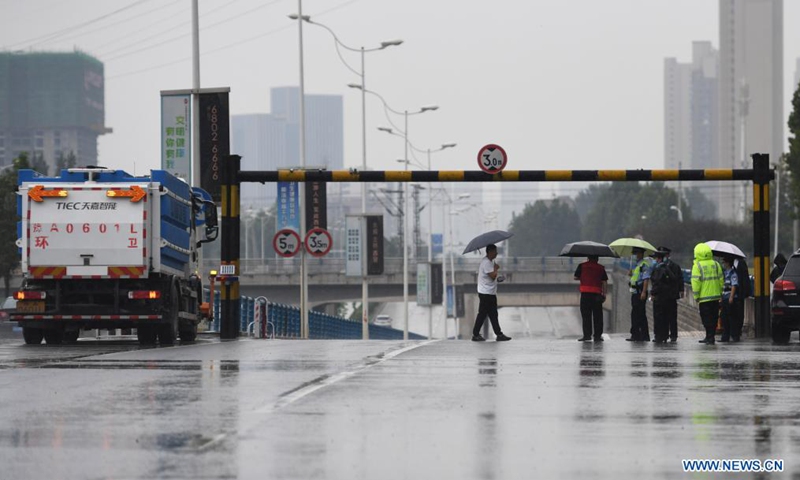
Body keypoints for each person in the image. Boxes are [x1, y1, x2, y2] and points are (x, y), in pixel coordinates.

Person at [472, 244, 511, 342]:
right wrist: (496, 268)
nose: (497, 253)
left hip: (490, 293)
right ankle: (475, 334)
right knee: (482, 314)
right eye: (495, 251)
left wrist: (498, 278)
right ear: (490, 252)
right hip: (486, 294)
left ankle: (499, 334)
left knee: (493, 314)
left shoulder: (490, 262)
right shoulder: (486, 263)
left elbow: (492, 278)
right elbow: (492, 275)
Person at [691, 243, 724, 345]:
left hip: (704, 298)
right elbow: (721, 280)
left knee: (706, 318)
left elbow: (696, 282)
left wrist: (696, 296)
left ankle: (709, 337)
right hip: (715, 297)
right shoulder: (716, 264)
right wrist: (720, 293)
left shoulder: (697, 266)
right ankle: (711, 336)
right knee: (714, 318)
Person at [574, 255, 608, 342]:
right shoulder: (601, 268)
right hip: (596, 294)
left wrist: (584, 277)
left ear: (588, 258)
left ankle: (587, 335)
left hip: (585, 294)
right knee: (598, 316)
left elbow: (575, 277)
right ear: (597, 259)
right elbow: (604, 281)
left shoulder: (582, 266)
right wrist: (604, 294)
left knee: (586, 315)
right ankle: (597, 336)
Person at [648, 248, 679, 343]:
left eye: (655, 258)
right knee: (666, 317)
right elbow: (674, 280)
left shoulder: (658, 269)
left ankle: (659, 336)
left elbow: (656, 283)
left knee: (658, 318)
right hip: (668, 297)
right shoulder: (667, 268)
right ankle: (665, 336)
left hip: (659, 297)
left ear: (659, 259)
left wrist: (653, 293)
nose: (654, 260)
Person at [627, 247, 652, 342]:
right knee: (635, 314)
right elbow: (636, 277)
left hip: (639, 293)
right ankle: (636, 334)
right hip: (634, 292)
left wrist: (644, 292)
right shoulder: (637, 265)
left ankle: (643, 336)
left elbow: (646, 279)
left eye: (636, 253)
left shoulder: (643, 265)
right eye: (634, 254)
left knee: (640, 314)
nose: (635, 255)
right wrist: (631, 273)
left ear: (641, 254)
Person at [659, 246, 684, 342]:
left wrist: (681, 290)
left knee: (672, 317)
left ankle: (673, 335)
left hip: (672, 295)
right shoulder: (658, 266)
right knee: (663, 316)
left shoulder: (675, 266)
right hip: (662, 295)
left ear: (668, 255)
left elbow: (680, 279)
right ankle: (664, 334)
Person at [719, 255, 743, 342]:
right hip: (725, 297)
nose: (723, 264)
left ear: (728, 263)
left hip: (730, 298)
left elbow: (734, 285)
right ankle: (725, 336)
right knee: (724, 318)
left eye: (724, 262)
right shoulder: (725, 273)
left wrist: (731, 297)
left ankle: (734, 336)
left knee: (732, 318)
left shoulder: (733, 273)